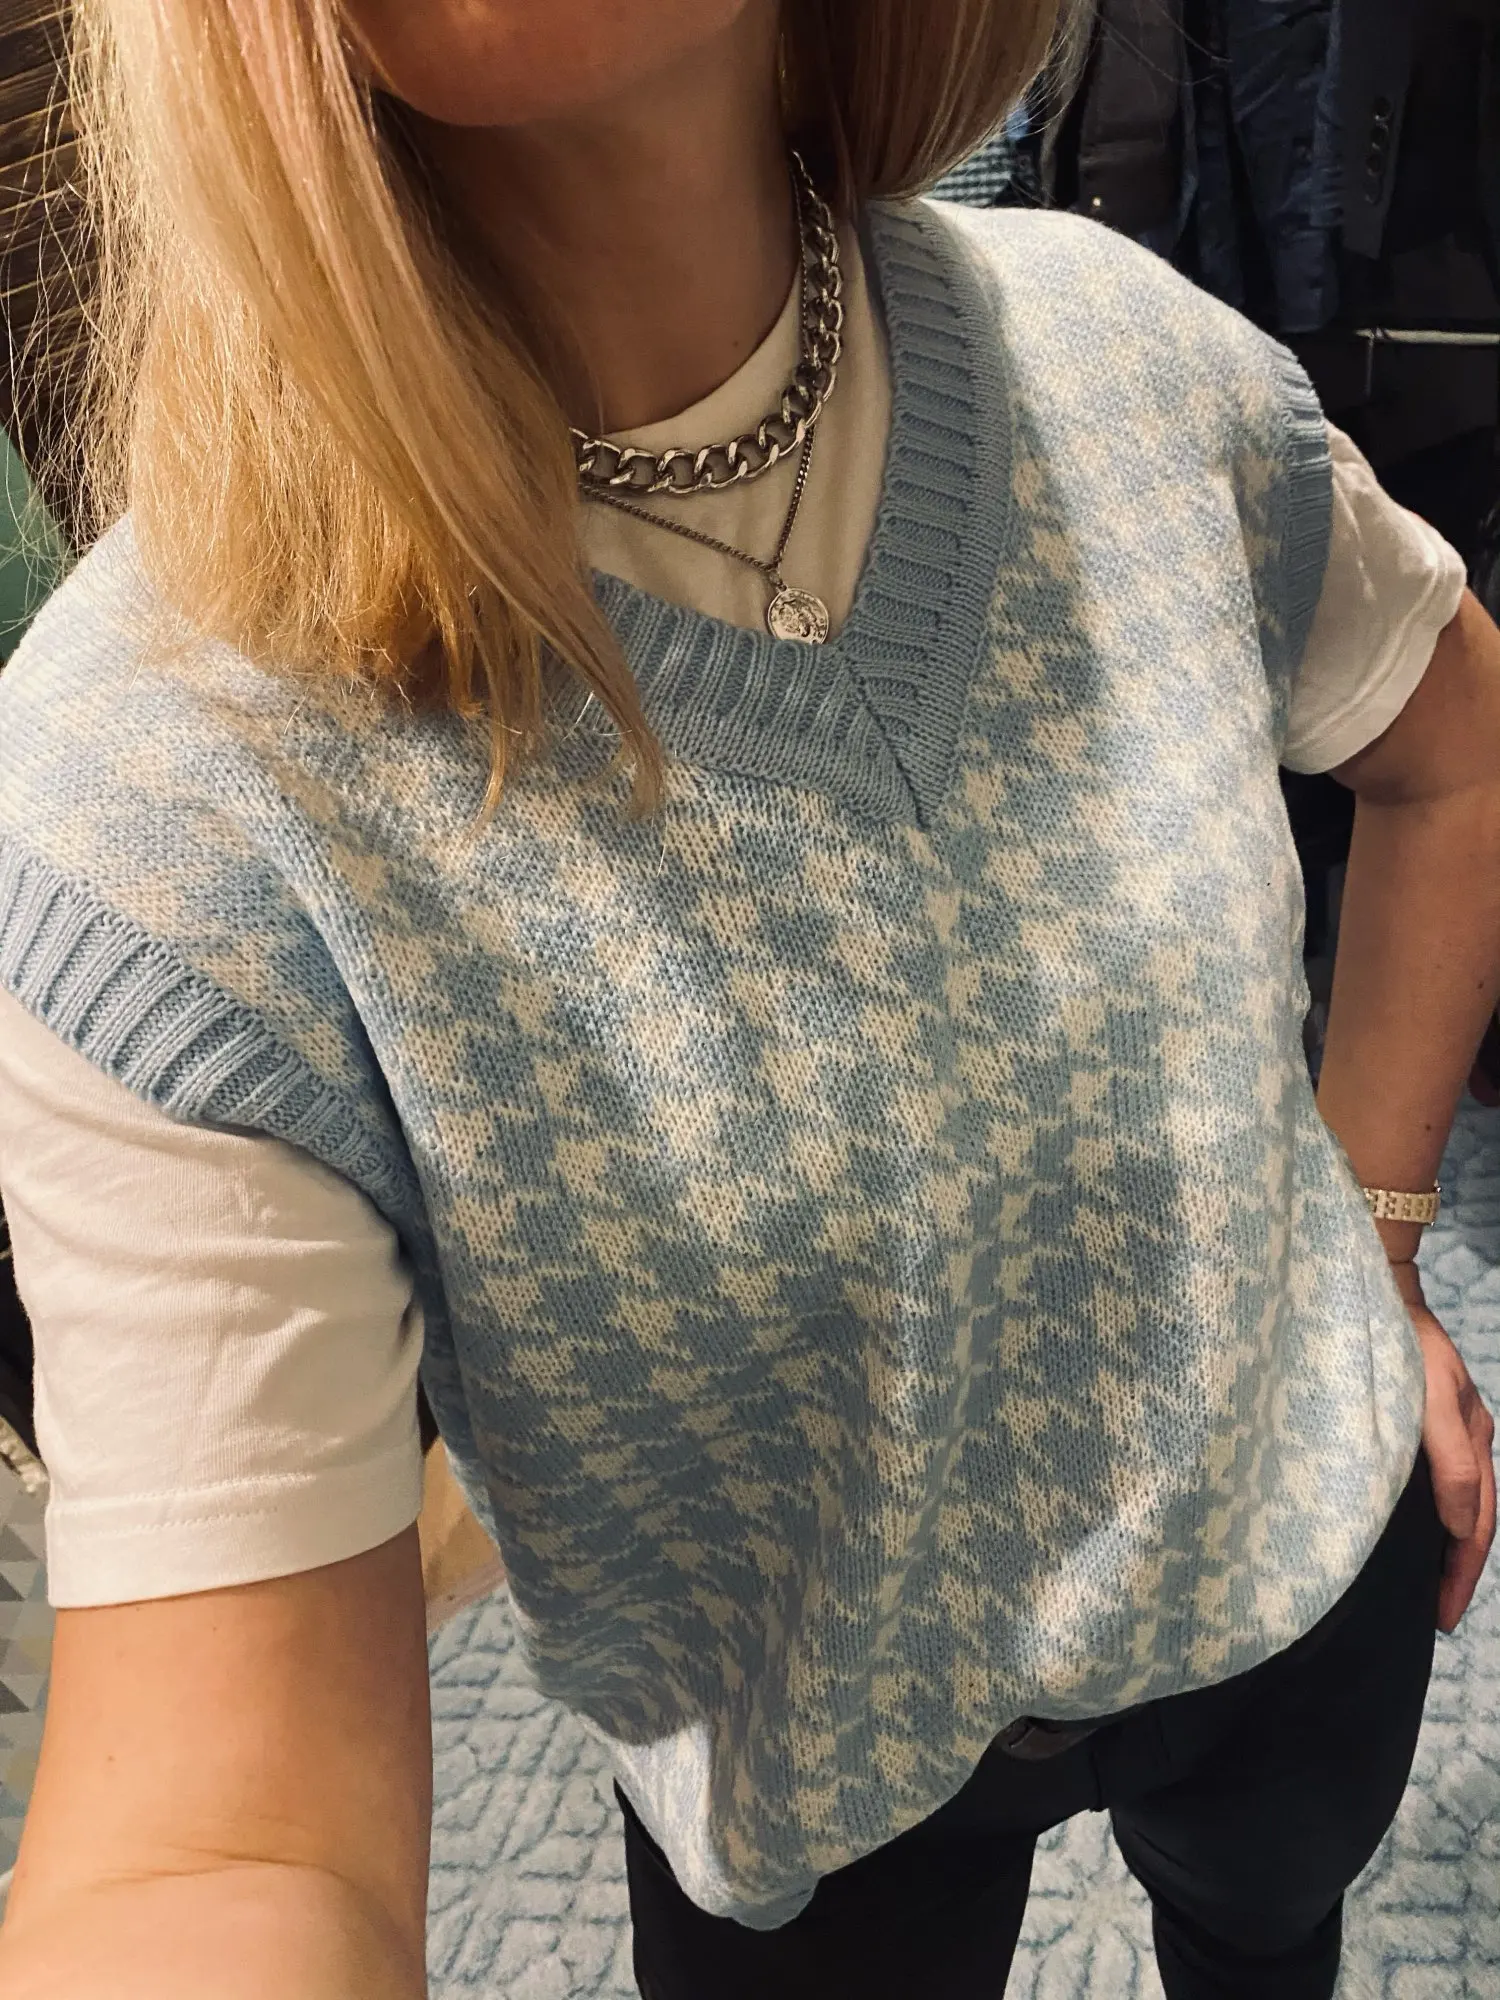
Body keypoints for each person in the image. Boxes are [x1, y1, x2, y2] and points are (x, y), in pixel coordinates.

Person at [0, 3, 1496, 1996]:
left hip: (1302, 1575)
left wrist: (1381, 1238)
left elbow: (1452, 742)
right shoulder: (160, 785)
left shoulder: (1142, 359)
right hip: (803, 1782)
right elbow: (217, 1842)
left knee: (1266, 1938)